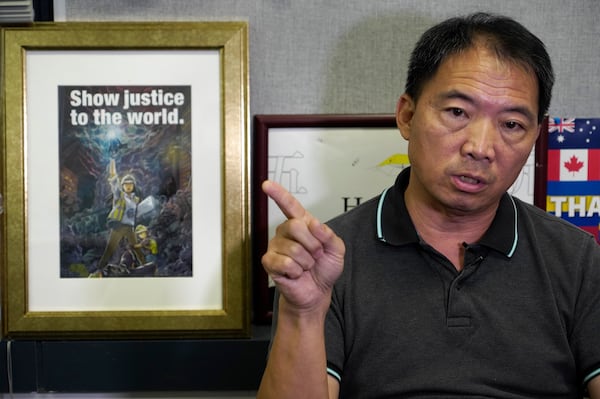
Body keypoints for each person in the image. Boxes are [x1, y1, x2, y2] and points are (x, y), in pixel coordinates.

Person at [257, 12, 600, 399]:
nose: (481, 147)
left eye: (512, 125)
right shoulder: (329, 258)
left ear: (536, 136)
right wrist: (302, 311)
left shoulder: (577, 259)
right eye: (457, 112)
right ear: (407, 115)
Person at [96, 159, 146, 271]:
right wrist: (112, 164)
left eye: (130, 184)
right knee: (110, 248)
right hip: (119, 226)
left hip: (130, 228)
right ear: (123, 186)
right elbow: (114, 181)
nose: (128, 186)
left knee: (136, 248)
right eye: (126, 184)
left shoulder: (136, 199)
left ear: (133, 186)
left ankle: (145, 266)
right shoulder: (119, 196)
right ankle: (99, 269)